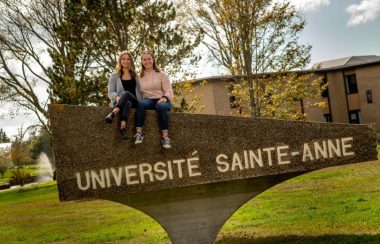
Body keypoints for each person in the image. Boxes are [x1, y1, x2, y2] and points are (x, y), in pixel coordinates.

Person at [134, 51, 173, 148]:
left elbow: (168, 89)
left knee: (161, 106)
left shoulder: (161, 74)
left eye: (149, 59)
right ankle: (139, 134)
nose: (147, 61)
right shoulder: (139, 76)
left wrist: (165, 97)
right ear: (142, 62)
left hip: (162, 100)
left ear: (153, 60)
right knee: (141, 104)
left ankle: (165, 137)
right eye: (144, 59)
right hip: (149, 100)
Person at [106, 51, 142, 139]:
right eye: (123, 59)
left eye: (128, 59)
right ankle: (123, 129)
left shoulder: (136, 75)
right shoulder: (114, 76)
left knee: (126, 94)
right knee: (127, 103)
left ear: (131, 61)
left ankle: (113, 114)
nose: (125, 61)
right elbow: (110, 92)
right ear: (120, 61)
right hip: (121, 102)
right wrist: (117, 97)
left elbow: (142, 90)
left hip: (135, 101)